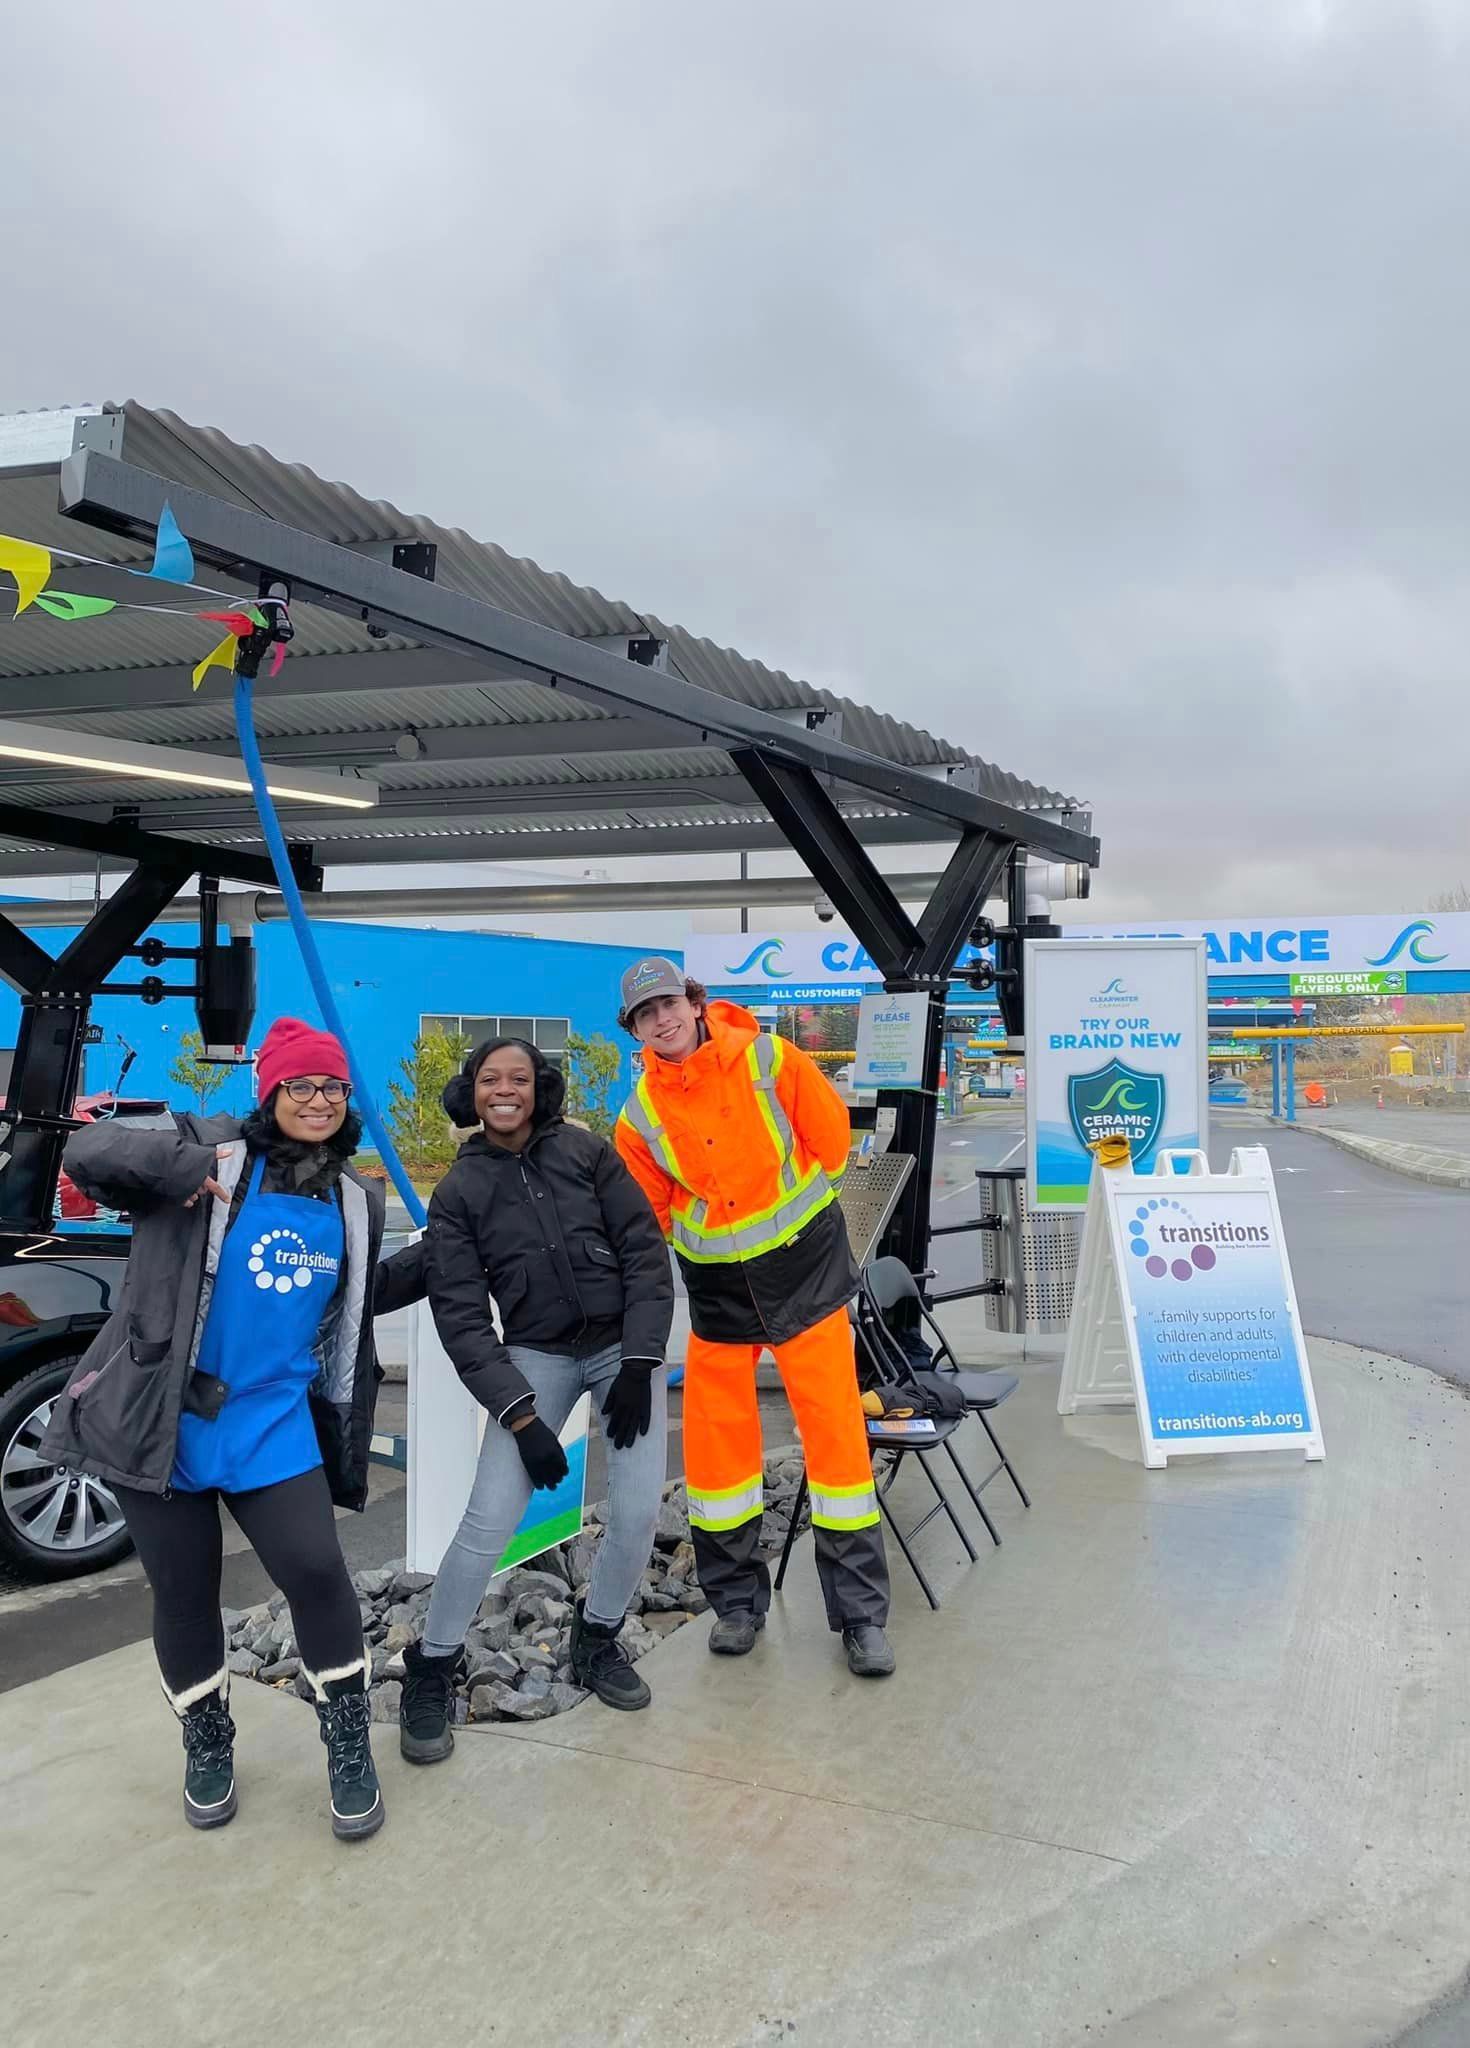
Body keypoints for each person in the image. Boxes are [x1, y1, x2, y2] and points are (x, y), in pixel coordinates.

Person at [40, 1019, 426, 1841]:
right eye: (301, 1085)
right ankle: (207, 1740)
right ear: (271, 1092)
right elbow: (88, 1156)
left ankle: (347, 1745)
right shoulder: (206, 1148)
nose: (318, 1100)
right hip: (162, 1419)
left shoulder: (355, 1195)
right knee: (185, 1596)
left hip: (272, 1420)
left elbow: (349, 1301)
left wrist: (444, 1258)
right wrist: (179, 1168)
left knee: (319, 1574)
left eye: (331, 1087)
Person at [612, 957, 895, 1678]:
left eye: (669, 1004)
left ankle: (861, 1619)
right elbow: (647, 1211)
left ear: (694, 1002)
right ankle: (738, 1605)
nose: (662, 1021)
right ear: (636, 1029)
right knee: (717, 1460)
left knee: (837, 1450)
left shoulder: (771, 1059)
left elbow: (831, 1144)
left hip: (805, 1276)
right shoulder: (639, 1115)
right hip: (719, 1295)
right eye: (647, 1015)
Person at [399, 1034, 673, 1763]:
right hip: (535, 1358)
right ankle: (430, 1667)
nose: (505, 1089)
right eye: (491, 1078)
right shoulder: (458, 1192)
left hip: (622, 1349)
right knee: (489, 1521)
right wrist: (520, 1416)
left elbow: (645, 1249)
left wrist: (643, 1362)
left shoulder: (586, 1155)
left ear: (537, 1086)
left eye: (519, 1077)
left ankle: (597, 1636)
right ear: (473, 1092)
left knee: (640, 1508)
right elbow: (459, 1313)